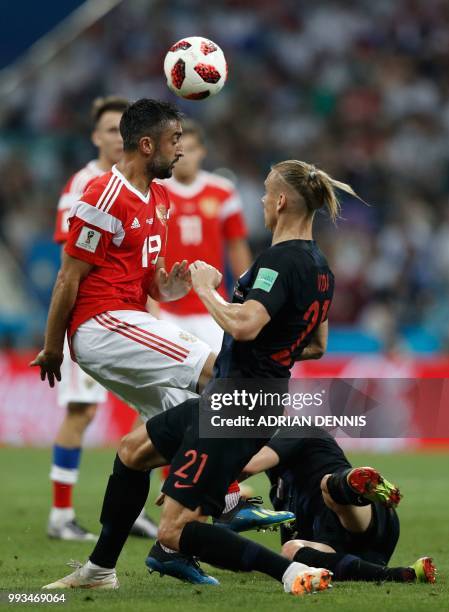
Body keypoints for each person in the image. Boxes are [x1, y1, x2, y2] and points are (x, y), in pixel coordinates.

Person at [42, 159, 357, 596]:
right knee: (133, 451)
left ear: (282, 202)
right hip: (247, 400)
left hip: (237, 406)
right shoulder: (321, 268)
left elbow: (245, 325)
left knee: (172, 532)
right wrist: (271, 355)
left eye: (267, 193)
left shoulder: (279, 262)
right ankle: (100, 569)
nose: (262, 200)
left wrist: (205, 288)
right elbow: (316, 344)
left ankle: (289, 572)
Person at [32, 98, 291, 586]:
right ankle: (230, 497)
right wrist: (52, 347)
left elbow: (152, 284)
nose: (181, 151)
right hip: (101, 325)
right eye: (175, 141)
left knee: (143, 446)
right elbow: (69, 278)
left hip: (127, 318)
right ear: (147, 144)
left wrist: (174, 284)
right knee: (221, 374)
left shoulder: (158, 198)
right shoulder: (103, 195)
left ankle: (99, 568)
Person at [49, 95, 158, 541]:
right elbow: (69, 256)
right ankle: (60, 515)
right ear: (96, 136)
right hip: (93, 314)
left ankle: (131, 507)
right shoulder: (85, 184)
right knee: (82, 409)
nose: (117, 138)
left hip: (128, 312)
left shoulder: (139, 184)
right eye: (110, 130)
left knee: (149, 406)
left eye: (122, 130)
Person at [241, 432, 436, 584]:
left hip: (363, 516)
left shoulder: (297, 429)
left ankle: (359, 484)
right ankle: (402, 575)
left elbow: (247, 467)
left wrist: (216, 477)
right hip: (347, 547)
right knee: (291, 550)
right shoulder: (279, 489)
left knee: (328, 484)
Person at [159, 120, 252, 353]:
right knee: (171, 386)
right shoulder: (156, 191)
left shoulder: (222, 191)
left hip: (212, 306)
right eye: (178, 150)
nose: (185, 157)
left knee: (219, 380)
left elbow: (237, 246)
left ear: (202, 152)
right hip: (167, 309)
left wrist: (247, 296)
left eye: (190, 149)